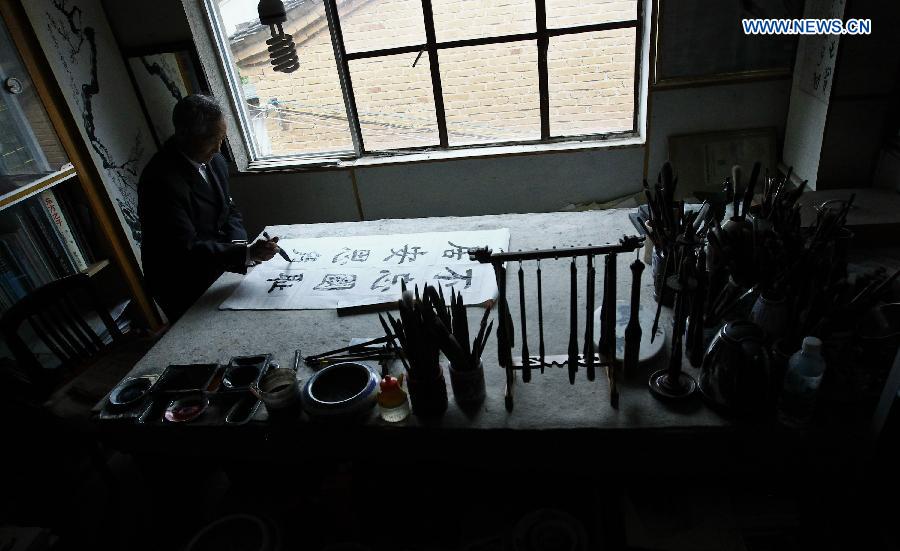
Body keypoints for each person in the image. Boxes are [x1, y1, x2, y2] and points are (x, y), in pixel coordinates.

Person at [138, 94, 280, 322]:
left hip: (218, 263)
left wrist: (239, 247)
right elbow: (184, 249)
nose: (218, 147)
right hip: (181, 280)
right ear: (184, 134)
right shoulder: (160, 180)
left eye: (221, 138)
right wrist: (244, 254)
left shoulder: (215, 161)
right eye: (212, 139)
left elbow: (228, 210)